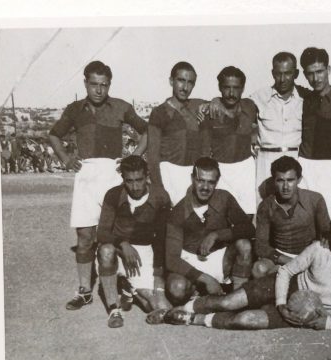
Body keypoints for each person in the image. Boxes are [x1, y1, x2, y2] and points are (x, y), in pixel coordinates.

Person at [163, 213, 331, 331]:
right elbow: (285, 272)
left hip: (308, 312)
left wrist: (330, 323)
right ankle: (183, 308)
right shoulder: (320, 249)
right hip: (289, 286)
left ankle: (194, 319)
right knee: (228, 302)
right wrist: (281, 303)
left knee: (245, 319)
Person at [48, 61, 148, 311]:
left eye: (104, 85)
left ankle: (124, 283)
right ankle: (84, 291)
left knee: (117, 233)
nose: (99, 90)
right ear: (85, 83)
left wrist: (133, 157)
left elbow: (147, 132)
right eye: (94, 84)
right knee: (84, 237)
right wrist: (66, 158)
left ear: (109, 85)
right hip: (86, 174)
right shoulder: (74, 109)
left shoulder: (121, 107)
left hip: (113, 175)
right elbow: (53, 135)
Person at [164, 157, 255, 307]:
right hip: (191, 262)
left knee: (244, 245)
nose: (205, 187)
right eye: (201, 181)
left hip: (220, 259)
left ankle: (237, 299)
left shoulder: (224, 198)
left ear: (217, 182)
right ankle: (198, 295)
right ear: (192, 179)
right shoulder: (178, 211)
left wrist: (217, 235)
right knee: (176, 289)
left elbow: (249, 229)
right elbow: (171, 259)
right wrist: (206, 279)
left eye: (211, 182)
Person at [96, 156, 172, 328]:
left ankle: (130, 288)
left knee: (157, 306)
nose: (135, 186)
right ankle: (114, 309)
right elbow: (102, 232)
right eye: (129, 181)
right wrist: (123, 244)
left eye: (139, 180)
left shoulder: (160, 196)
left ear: (147, 176)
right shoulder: (114, 194)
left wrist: (158, 273)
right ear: (123, 179)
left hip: (143, 250)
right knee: (106, 251)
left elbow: (162, 237)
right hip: (117, 248)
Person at [252, 156, 330, 278]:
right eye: (280, 180)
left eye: (290, 180)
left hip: (309, 254)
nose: (285, 187)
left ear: (299, 180)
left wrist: (324, 242)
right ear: (274, 181)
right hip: (282, 257)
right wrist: (289, 261)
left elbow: (326, 232)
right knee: (259, 269)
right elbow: (260, 246)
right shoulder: (266, 206)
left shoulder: (315, 199)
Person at [146, 61, 209, 206]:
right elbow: (153, 155)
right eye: (181, 80)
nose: (185, 87)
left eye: (190, 82)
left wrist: (213, 103)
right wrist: (158, 187)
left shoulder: (196, 107)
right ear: (171, 81)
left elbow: (217, 104)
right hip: (168, 177)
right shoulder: (159, 112)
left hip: (193, 177)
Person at [201, 66, 257, 215]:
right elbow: (204, 150)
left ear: (243, 88)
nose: (231, 93)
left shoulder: (250, 107)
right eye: (227, 87)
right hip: (221, 171)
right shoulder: (210, 113)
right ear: (220, 87)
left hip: (246, 170)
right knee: (220, 215)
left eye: (236, 88)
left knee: (247, 214)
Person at [249, 52, 305, 203]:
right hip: (266, 160)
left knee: (295, 206)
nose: (282, 79)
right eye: (278, 74)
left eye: (288, 73)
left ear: (296, 73)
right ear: (272, 73)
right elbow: (236, 108)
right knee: (263, 204)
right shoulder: (258, 97)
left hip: (295, 158)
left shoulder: (305, 98)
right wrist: (215, 101)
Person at [297, 47, 331, 218]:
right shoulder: (302, 98)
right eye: (310, 74)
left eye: (320, 72)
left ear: (328, 70)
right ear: (304, 74)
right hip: (305, 164)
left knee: (329, 216)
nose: (316, 78)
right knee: (305, 215)